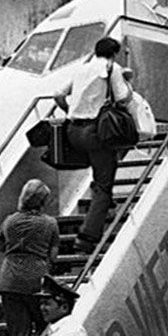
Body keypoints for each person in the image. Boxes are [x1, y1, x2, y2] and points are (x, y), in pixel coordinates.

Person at [53, 36, 133, 252]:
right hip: (95, 132)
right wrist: (127, 80)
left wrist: (69, 111)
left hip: (73, 132)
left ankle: (106, 205)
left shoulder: (82, 68)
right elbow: (123, 97)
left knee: (100, 171)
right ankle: (87, 237)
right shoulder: (111, 67)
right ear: (114, 53)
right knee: (104, 184)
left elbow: (58, 94)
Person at [0, 179, 61, 336]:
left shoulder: (9, 221)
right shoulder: (50, 223)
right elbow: (53, 256)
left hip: (9, 280)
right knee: (44, 324)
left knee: (18, 332)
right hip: (36, 279)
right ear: (43, 201)